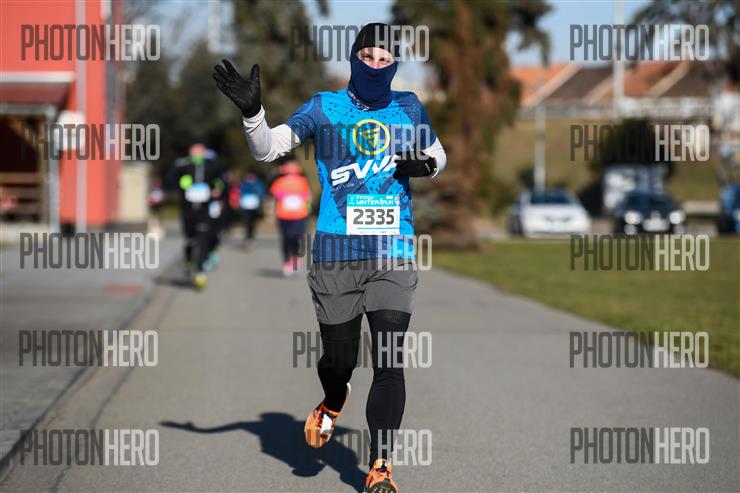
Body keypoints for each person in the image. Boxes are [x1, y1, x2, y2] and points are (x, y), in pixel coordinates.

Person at [214, 22, 446, 493]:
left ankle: (380, 466)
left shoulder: (408, 106)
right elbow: (269, 150)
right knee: (340, 360)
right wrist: (253, 113)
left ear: (395, 64)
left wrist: (426, 164)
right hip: (336, 253)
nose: (377, 65)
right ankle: (333, 398)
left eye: (386, 59)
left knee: (388, 358)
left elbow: (438, 154)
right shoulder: (323, 107)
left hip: (393, 249)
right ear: (354, 58)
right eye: (369, 57)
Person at [167, 143, 225, 289]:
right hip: (187, 210)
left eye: (200, 151)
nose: (197, 154)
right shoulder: (183, 166)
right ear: (190, 152)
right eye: (195, 151)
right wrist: (181, 184)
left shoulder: (211, 166)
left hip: (204, 211)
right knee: (190, 240)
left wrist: (218, 188)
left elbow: (221, 180)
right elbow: (170, 179)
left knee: (203, 239)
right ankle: (188, 261)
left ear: (204, 152)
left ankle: (200, 271)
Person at [268, 156, 311, 275]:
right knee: (286, 238)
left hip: (299, 214)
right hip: (283, 214)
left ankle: (295, 258)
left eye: (293, 164)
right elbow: (272, 192)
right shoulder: (279, 180)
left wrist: (306, 204)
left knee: (297, 236)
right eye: (289, 165)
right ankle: (286, 261)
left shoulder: (302, 179)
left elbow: (307, 194)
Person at [239, 171, 266, 249]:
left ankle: (251, 237)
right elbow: (240, 193)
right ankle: (247, 237)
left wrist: (255, 189)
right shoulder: (243, 184)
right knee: (247, 223)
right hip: (246, 206)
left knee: (253, 223)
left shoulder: (257, 183)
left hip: (254, 206)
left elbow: (262, 193)